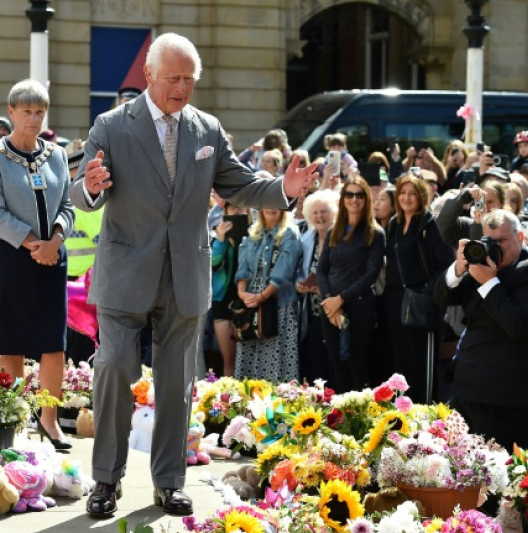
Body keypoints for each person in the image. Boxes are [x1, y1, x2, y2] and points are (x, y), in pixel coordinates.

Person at [69, 32, 317, 518]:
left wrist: (283, 189)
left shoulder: (206, 129)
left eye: (190, 79)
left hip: (185, 274)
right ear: (149, 76)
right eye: (173, 78)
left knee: (178, 380)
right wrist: (91, 188)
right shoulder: (112, 125)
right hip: (125, 272)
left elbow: (241, 184)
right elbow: (82, 191)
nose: (182, 88)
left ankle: (168, 481)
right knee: (114, 367)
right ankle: (106, 480)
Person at [0, 78, 75, 450]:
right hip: (10, 257)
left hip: (52, 258)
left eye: (39, 112)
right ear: (11, 113)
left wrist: (55, 240)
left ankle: (49, 422)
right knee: (13, 343)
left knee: (54, 343)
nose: (33, 119)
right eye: (27, 112)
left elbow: (67, 204)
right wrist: (34, 243)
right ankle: (15, 420)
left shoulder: (56, 154)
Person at [435, 209, 528, 450]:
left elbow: (518, 325)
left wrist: (489, 282)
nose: (495, 248)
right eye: (489, 241)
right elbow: (441, 295)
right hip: (469, 392)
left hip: (510, 401)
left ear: (520, 238)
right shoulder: (481, 265)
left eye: (502, 241)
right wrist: (459, 269)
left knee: (501, 480)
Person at [383, 174, 455, 403]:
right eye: (402, 193)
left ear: (421, 196)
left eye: (412, 193)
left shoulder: (428, 224)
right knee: (399, 361)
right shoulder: (393, 223)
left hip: (421, 303)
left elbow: (445, 263)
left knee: (420, 362)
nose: (406, 198)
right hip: (395, 300)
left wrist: (426, 291)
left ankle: (423, 412)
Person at [316, 176, 386, 390]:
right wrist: (330, 302)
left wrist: (341, 299)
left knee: (357, 365)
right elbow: (322, 269)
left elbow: (371, 273)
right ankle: (337, 418)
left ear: (366, 199)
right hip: (330, 309)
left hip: (359, 307)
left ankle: (357, 419)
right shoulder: (333, 230)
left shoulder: (375, 233)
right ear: (343, 198)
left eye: (359, 195)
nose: (354, 199)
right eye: (349, 194)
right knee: (336, 365)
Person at [234, 208, 300, 382]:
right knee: (248, 359)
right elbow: (243, 269)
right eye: (268, 203)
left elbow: (283, 273)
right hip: (250, 305)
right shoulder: (253, 234)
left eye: (277, 204)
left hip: (277, 305)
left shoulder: (290, 234)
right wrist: (242, 294)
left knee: (275, 362)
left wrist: (262, 297)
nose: (272, 208)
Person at [297, 189, 337, 383]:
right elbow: (299, 271)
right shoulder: (306, 239)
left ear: (334, 213)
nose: (319, 216)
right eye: (315, 212)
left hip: (336, 309)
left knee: (334, 360)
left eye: (324, 211)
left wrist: (326, 290)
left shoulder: (340, 238)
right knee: (314, 360)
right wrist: (301, 285)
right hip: (311, 311)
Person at [211, 203, 249, 377]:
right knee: (229, 360)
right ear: (225, 212)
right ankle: (229, 400)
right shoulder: (218, 238)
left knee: (249, 358)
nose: (237, 212)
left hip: (250, 300)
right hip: (224, 301)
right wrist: (220, 240)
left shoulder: (255, 236)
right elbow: (213, 264)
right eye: (233, 209)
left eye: (241, 208)